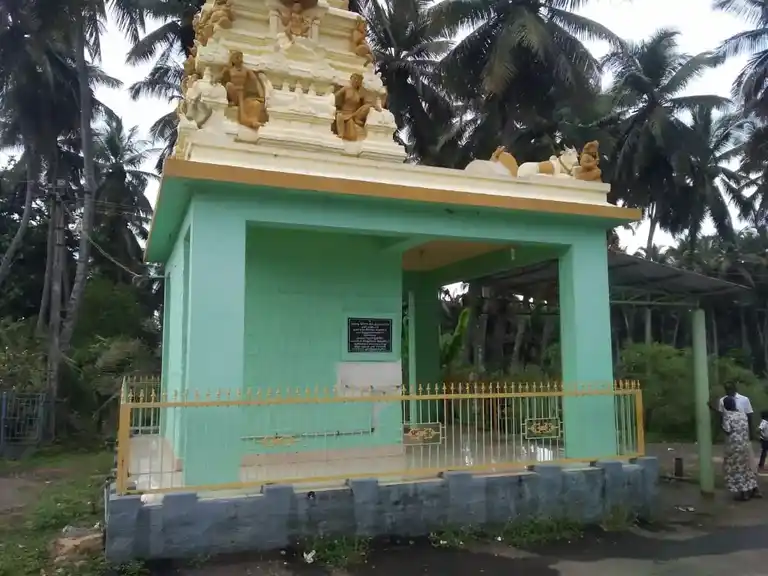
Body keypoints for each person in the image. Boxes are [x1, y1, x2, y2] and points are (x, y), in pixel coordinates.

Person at [721, 395, 761, 501]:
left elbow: (727, 430)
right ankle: (751, 489)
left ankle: (744, 493)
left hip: (734, 448)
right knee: (746, 469)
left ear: (725, 406)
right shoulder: (742, 414)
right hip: (744, 446)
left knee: (735, 471)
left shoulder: (727, 416)